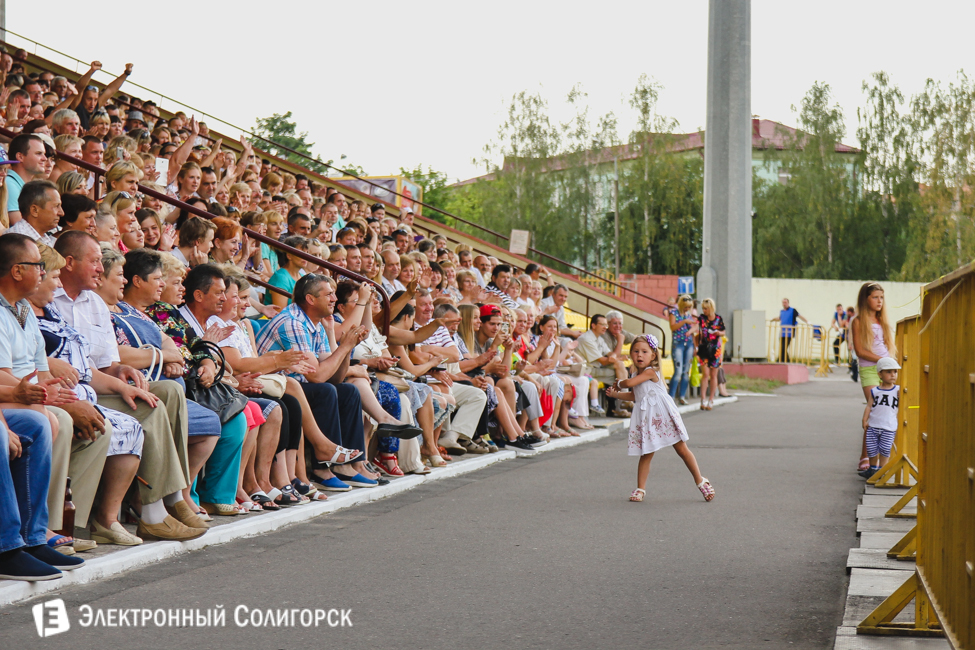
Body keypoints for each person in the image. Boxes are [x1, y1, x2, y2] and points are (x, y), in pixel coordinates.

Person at [605, 334, 715, 504]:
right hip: (648, 419)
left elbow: (630, 383)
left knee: (682, 450)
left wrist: (619, 383)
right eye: (635, 351)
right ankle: (640, 489)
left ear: (653, 355)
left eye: (644, 351)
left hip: (663, 416)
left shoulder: (650, 372)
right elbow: (635, 395)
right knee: (646, 453)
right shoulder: (636, 373)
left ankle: (700, 480)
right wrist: (616, 394)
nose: (639, 355)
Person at [850, 282, 897, 474]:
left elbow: (889, 347)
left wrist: (890, 363)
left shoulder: (882, 321)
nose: (879, 301)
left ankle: (877, 459)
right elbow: (860, 351)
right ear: (865, 299)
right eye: (875, 297)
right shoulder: (858, 321)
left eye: (881, 297)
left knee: (883, 412)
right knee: (875, 409)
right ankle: (866, 458)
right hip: (870, 369)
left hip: (887, 370)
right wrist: (883, 360)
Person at [859, 357, 900, 480]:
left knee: (885, 448)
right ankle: (872, 469)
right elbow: (869, 406)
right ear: (880, 374)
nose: (892, 375)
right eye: (888, 372)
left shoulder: (898, 391)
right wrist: (864, 419)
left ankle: (883, 471)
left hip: (888, 426)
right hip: (874, 425)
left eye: (895, 372)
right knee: (871, 448)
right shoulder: (875, 391)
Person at [695, 298, 725, 411]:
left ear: (711, 308)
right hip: (703, 348)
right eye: (703, 308)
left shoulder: (718, 318)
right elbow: (697, 330)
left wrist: (718, 333)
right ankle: (703, 399)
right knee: (705, 374)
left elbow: (723, 331)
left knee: (714, 375)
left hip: (715, 349)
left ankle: (711, 400)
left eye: (706, 308)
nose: (704, 310)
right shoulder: (701, 318)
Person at [667, 296, 697, 405]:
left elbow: (694, 327)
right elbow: (673, 327)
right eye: (685, 307)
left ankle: (682, 396)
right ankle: (671, 397)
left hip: (688, 344)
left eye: (689, 307)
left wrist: (694, 344)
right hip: (678, 344)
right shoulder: (673, 313)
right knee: (678, 371)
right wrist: (684, 321)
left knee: (686, 371)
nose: (687, 309)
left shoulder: (688, 314)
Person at [771, 298, 808, 362]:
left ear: (788, 303)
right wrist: (773, 319)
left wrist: (807, 321)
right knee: (782, 348)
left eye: (785, 302)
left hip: (789, 332)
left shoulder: (793, 310)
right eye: (783, 302)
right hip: (782, 333)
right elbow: (780, 318)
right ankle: (785, 360)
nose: (784, 304)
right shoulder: (782, 311)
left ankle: (781, 360)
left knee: (784, 347)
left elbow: (800, 316)